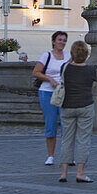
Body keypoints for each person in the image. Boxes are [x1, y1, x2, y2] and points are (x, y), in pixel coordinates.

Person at [57, 40, 97, 184]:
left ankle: (63, 173)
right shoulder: (91, 70)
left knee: (67, 139)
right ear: (86, 53)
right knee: (83, 140)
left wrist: (72, 58)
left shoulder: (65, 67)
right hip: (85, 105)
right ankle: (80, 173)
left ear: (72, 54)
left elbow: (67, 66)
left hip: (67, 106)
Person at [32, 31, 69, 166]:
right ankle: (50, 155)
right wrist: (49, 79)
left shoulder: (68, 57)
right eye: (59, 40)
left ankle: (67, 155)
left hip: (64, 92)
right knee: (50, 123)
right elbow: (36, 72)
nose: (62, 43)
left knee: (67, 125)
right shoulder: (46, 56)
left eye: (64, 40)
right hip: (47, 92)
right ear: (53, 41)